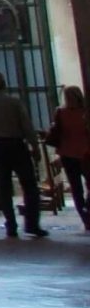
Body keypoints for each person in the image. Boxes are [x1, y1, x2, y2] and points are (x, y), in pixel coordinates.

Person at [0, 71, 46, 239]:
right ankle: (32, 224)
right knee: (29, 185)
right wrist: (34, 146)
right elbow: (26, 126)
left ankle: (11, 225)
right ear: (5, 83)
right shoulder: (14, 102)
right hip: (16, 145)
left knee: (4, 188)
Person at [47, 85, 90, 232]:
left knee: (76, 188)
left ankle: (86, 218)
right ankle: (87, 213)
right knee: (83, 186)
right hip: (84, 153)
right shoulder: (84, 112)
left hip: (68, 154)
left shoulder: (60, 112)